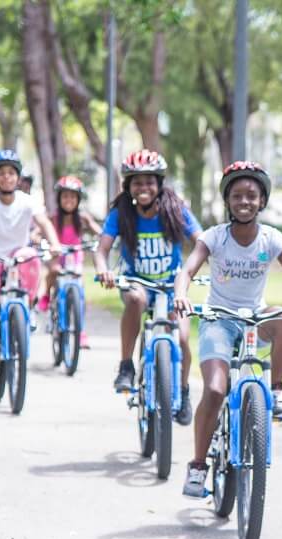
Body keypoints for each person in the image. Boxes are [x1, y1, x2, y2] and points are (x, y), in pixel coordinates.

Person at [173, 161, 282, 498]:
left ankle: (277, 387)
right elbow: (188, 270)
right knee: (214, 390)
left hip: (254, 316)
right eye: (237, 195)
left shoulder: (271, 238)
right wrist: (181, 295)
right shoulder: (214, 237)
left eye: (252, 196)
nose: (244, 201)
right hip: (218, 319)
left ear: (262, 201)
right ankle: (197, 466)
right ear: (227, 200)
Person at [92, 149, 202, 426]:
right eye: (137, 182)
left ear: (159, 184)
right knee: (137, 300)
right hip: (135, 281)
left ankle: (184, 389)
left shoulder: (176, 210)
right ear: (128, 186)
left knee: (184, 337)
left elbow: (202, 242)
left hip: (171, 284)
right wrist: (103, 269)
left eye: (149, 181)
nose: (144, 188)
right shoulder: (121, 213)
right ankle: (126, 364)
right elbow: (101, 249)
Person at [0, 149, 62, 385]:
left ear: (18, 177)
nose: (6, 177)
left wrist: (55, 243)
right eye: (1, 173)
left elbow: (44, 223)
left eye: (11, 173)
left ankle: (27, 308)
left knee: (30, 255)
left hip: (17, 256)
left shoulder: (28, 201)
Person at [35, 175, 103, 348]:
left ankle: (80, 331)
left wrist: (102, 238)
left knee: (79, 292)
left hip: (75, 257)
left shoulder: (83, 218)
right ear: (59, 198)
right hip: (57, 255)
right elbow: (36, 233)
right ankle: (46, 295)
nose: (69, 200)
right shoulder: (53, 217)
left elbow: (100, 232)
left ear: (78, 199)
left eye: (73, 197)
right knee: (54, 270)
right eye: (65, 196)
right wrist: (39, 241)